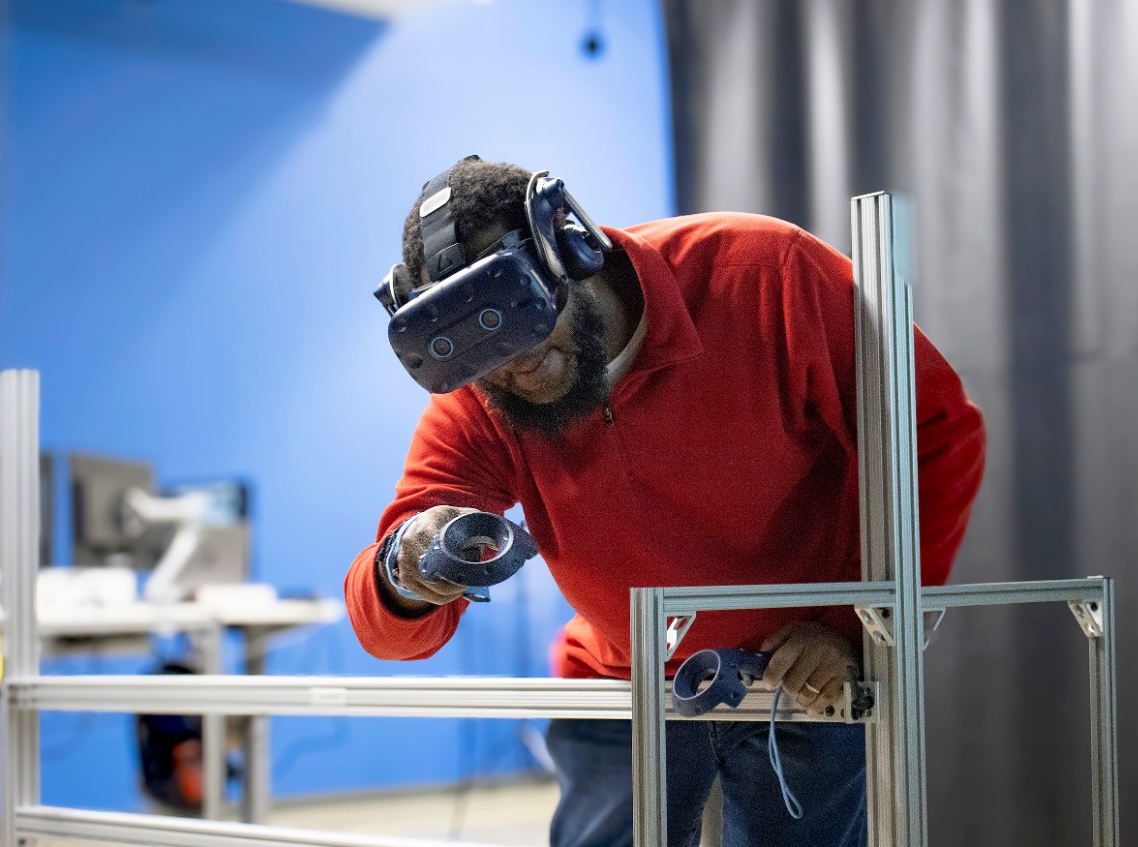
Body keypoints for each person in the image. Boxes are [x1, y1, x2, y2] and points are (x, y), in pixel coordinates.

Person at [345, 157, 986, 847]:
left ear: (571, 246)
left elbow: (936, 430)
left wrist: (853, 624)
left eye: (525, 317)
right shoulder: (484, 398)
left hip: (795, 677)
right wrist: (406, 567)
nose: (514, 364)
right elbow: (390, 627)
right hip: (623, 686)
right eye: (481, 350)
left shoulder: (765, 275)